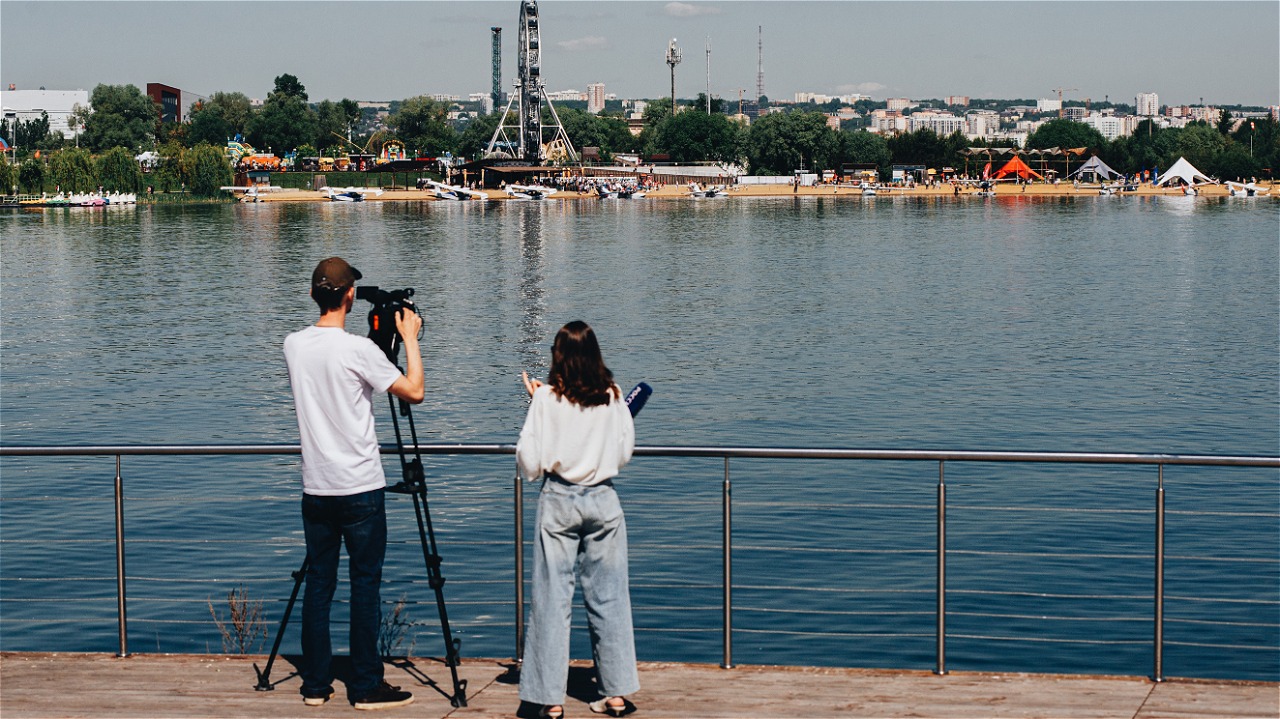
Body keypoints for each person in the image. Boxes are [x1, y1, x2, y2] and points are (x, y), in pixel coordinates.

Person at [283, 257, 424, 711]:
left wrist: (377, 340)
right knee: (365, 585)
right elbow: (414, 390)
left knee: (319, 585)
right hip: (361, 487)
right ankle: (364, 687)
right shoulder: (360, 353)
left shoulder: (293, 345)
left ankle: (315, 685)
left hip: (316, 488)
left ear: (312, 296)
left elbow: (336, 354)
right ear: (348, 297)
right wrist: (407, 339)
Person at [516, 321, 639, 719]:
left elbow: (530, 461)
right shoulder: (613, 395)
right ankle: (616, 694)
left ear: (558, 356)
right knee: (610, 598)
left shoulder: (547, 399)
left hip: (559, 500)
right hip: (604, 500)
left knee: (552, 600)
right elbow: (623, 453)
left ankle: (550, 701)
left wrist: (539, 403)